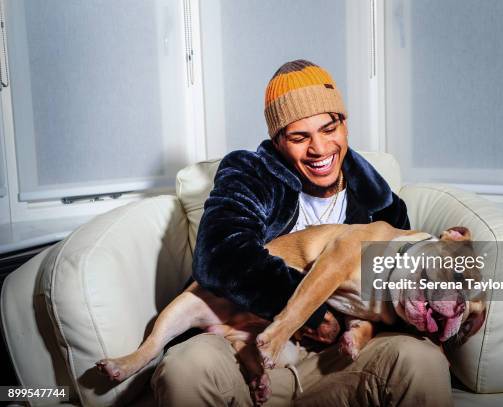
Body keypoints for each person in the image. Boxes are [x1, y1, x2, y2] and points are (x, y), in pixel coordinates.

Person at [151, 59, 453, 406]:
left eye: (329, 129)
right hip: (244, 340)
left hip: (338, 360)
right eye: (299, 137)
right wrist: (313, 313)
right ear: (278, 140)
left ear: (344, 124)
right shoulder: (249, 174)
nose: (320, 149)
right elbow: (220, 257)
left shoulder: (379, 202)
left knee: (421, 361)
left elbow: (402, 296)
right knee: (186, 369)